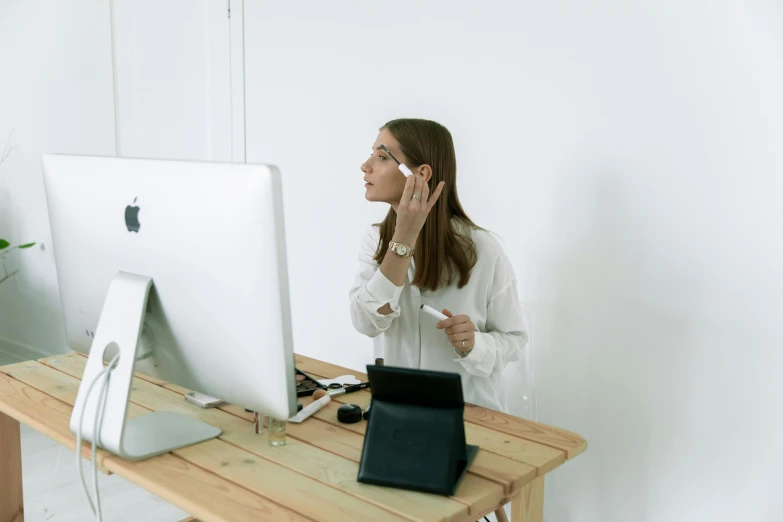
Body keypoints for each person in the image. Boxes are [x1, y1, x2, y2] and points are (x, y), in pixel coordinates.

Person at [349, 118, 528, 412]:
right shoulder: (375, 241)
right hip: (398, 412)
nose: (365, 165)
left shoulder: (483, 249)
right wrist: (403, 237)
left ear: (420, 174)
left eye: (382, 157)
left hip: (470, 417)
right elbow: (367, 322)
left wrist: (473, 344)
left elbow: (514, 340)